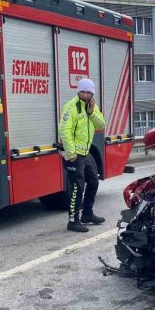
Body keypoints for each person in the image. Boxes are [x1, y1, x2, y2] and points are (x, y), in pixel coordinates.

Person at [59, 78, 106, 233]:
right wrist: (71, 153)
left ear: (92, 93)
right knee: (77, 187)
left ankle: (87, 214)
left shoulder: (92, 106)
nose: (85, 94)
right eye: (83, 91)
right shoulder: (71, 107)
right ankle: (73, 221)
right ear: (78, 91)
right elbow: (64, 132)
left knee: (93, 182)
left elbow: (102, 125)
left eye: (88, 92)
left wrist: (92, 112)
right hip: (74, 154)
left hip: (86, 153)